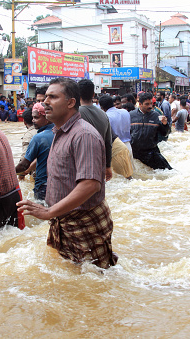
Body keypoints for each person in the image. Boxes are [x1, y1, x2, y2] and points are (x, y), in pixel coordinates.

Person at [17, 77, 118, 269]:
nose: (45, 102)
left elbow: (90, 184)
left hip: (83, 223)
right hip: (64, 221)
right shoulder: (60, 131)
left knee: (94, 283)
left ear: (71, 102)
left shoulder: (83, 135)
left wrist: (49, 211)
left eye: (53, 97)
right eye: (45, 97)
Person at [15, 103, 54, 201]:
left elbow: (24, 165)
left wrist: (8, 172)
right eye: (33, 118)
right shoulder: (60, 131)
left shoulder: (38, 138)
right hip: (59, 184)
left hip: (43, 186)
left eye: (36, 118)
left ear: (47, 118)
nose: (33, 121)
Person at [78, 79, 113, 181]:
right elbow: (108, 143)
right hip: (98, 163)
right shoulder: (103, 114)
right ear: (93, 94)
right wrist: (107, 166)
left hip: (81, 163)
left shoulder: (74, 113)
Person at [130, 92, 172, 170]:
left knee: (168, 171)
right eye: (147, 104)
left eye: (151, 103)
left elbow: (165, 133)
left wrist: (165, 125)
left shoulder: (156, 116)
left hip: (151, 152)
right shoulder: (131, 115)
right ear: (140, 104)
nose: (150, 106)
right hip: (135, 152)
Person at [99, 95, 134, 179]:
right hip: (128, 146)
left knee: (118, 179)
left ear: (102, 107)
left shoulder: (105, 116)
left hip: (116, 148)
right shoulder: (125, 112)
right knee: (130, 175)